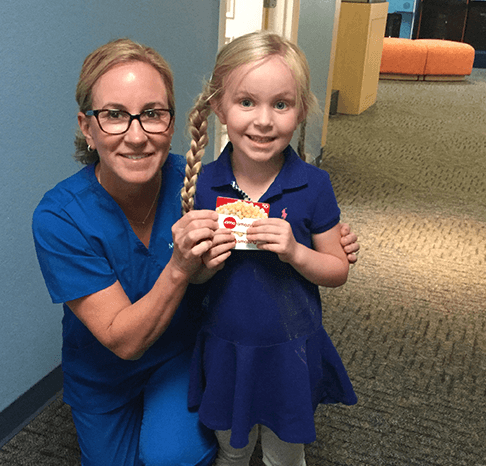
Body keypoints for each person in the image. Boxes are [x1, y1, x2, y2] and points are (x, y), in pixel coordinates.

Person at [32, 38, 358, 466]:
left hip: (180, 356)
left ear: (170, 123)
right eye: (114, 115)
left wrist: (322, 240)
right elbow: (123, 341)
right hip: (105, 372)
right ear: (87, 127)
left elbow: (280, 202)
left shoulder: (200, 183)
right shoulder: (61, 217)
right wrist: (180, 266)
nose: (136, 135)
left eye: (152, 114)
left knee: (176, 458)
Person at [181, 32, 358, 466]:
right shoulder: (204, 183)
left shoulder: (314, 185)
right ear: (219, 107)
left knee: (284, 453)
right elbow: (196, 276)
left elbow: (337, 270)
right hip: (226, 344)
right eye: (246, 102)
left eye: (281, 104)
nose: (264, 120)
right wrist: (203, 263)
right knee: (232, 449)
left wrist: (296, 252)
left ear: (300, 112)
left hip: (289, 347)